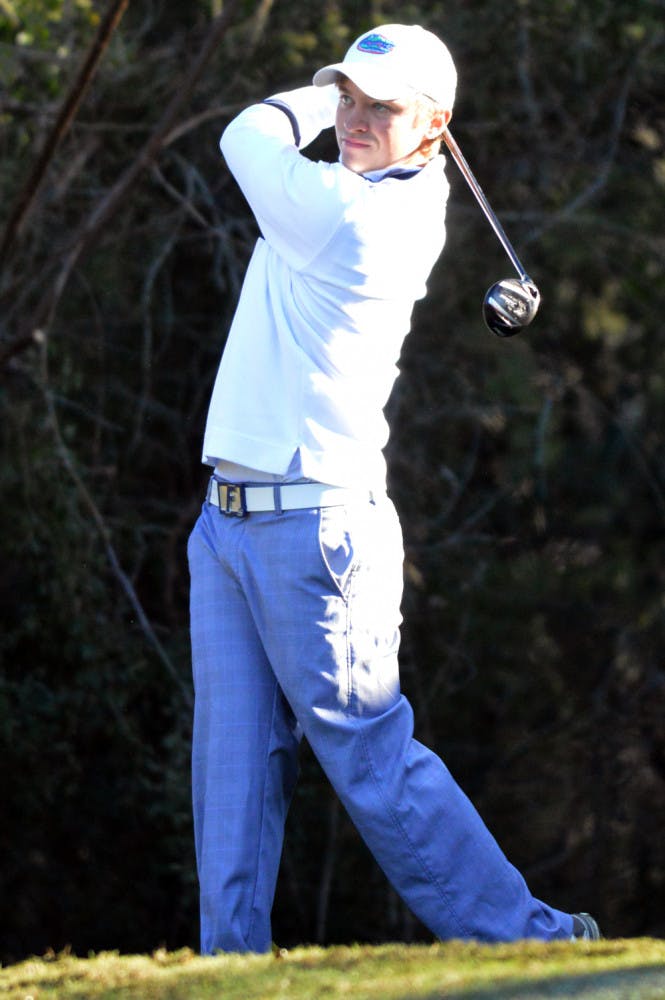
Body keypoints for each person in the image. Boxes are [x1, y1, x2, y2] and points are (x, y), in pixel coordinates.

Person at [187, 23, 600, 954]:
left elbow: (244, 133)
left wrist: (313, 93)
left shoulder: (349, 213)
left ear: (433, 127)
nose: (354, 119)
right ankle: (226, 967)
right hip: (227, 523)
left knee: (371, 760)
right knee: (229, 772)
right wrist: (346, 94)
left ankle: (530, 942)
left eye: (382, 107)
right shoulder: (352, 189)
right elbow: (293, 144)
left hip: (314, 531)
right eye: (347, 99)